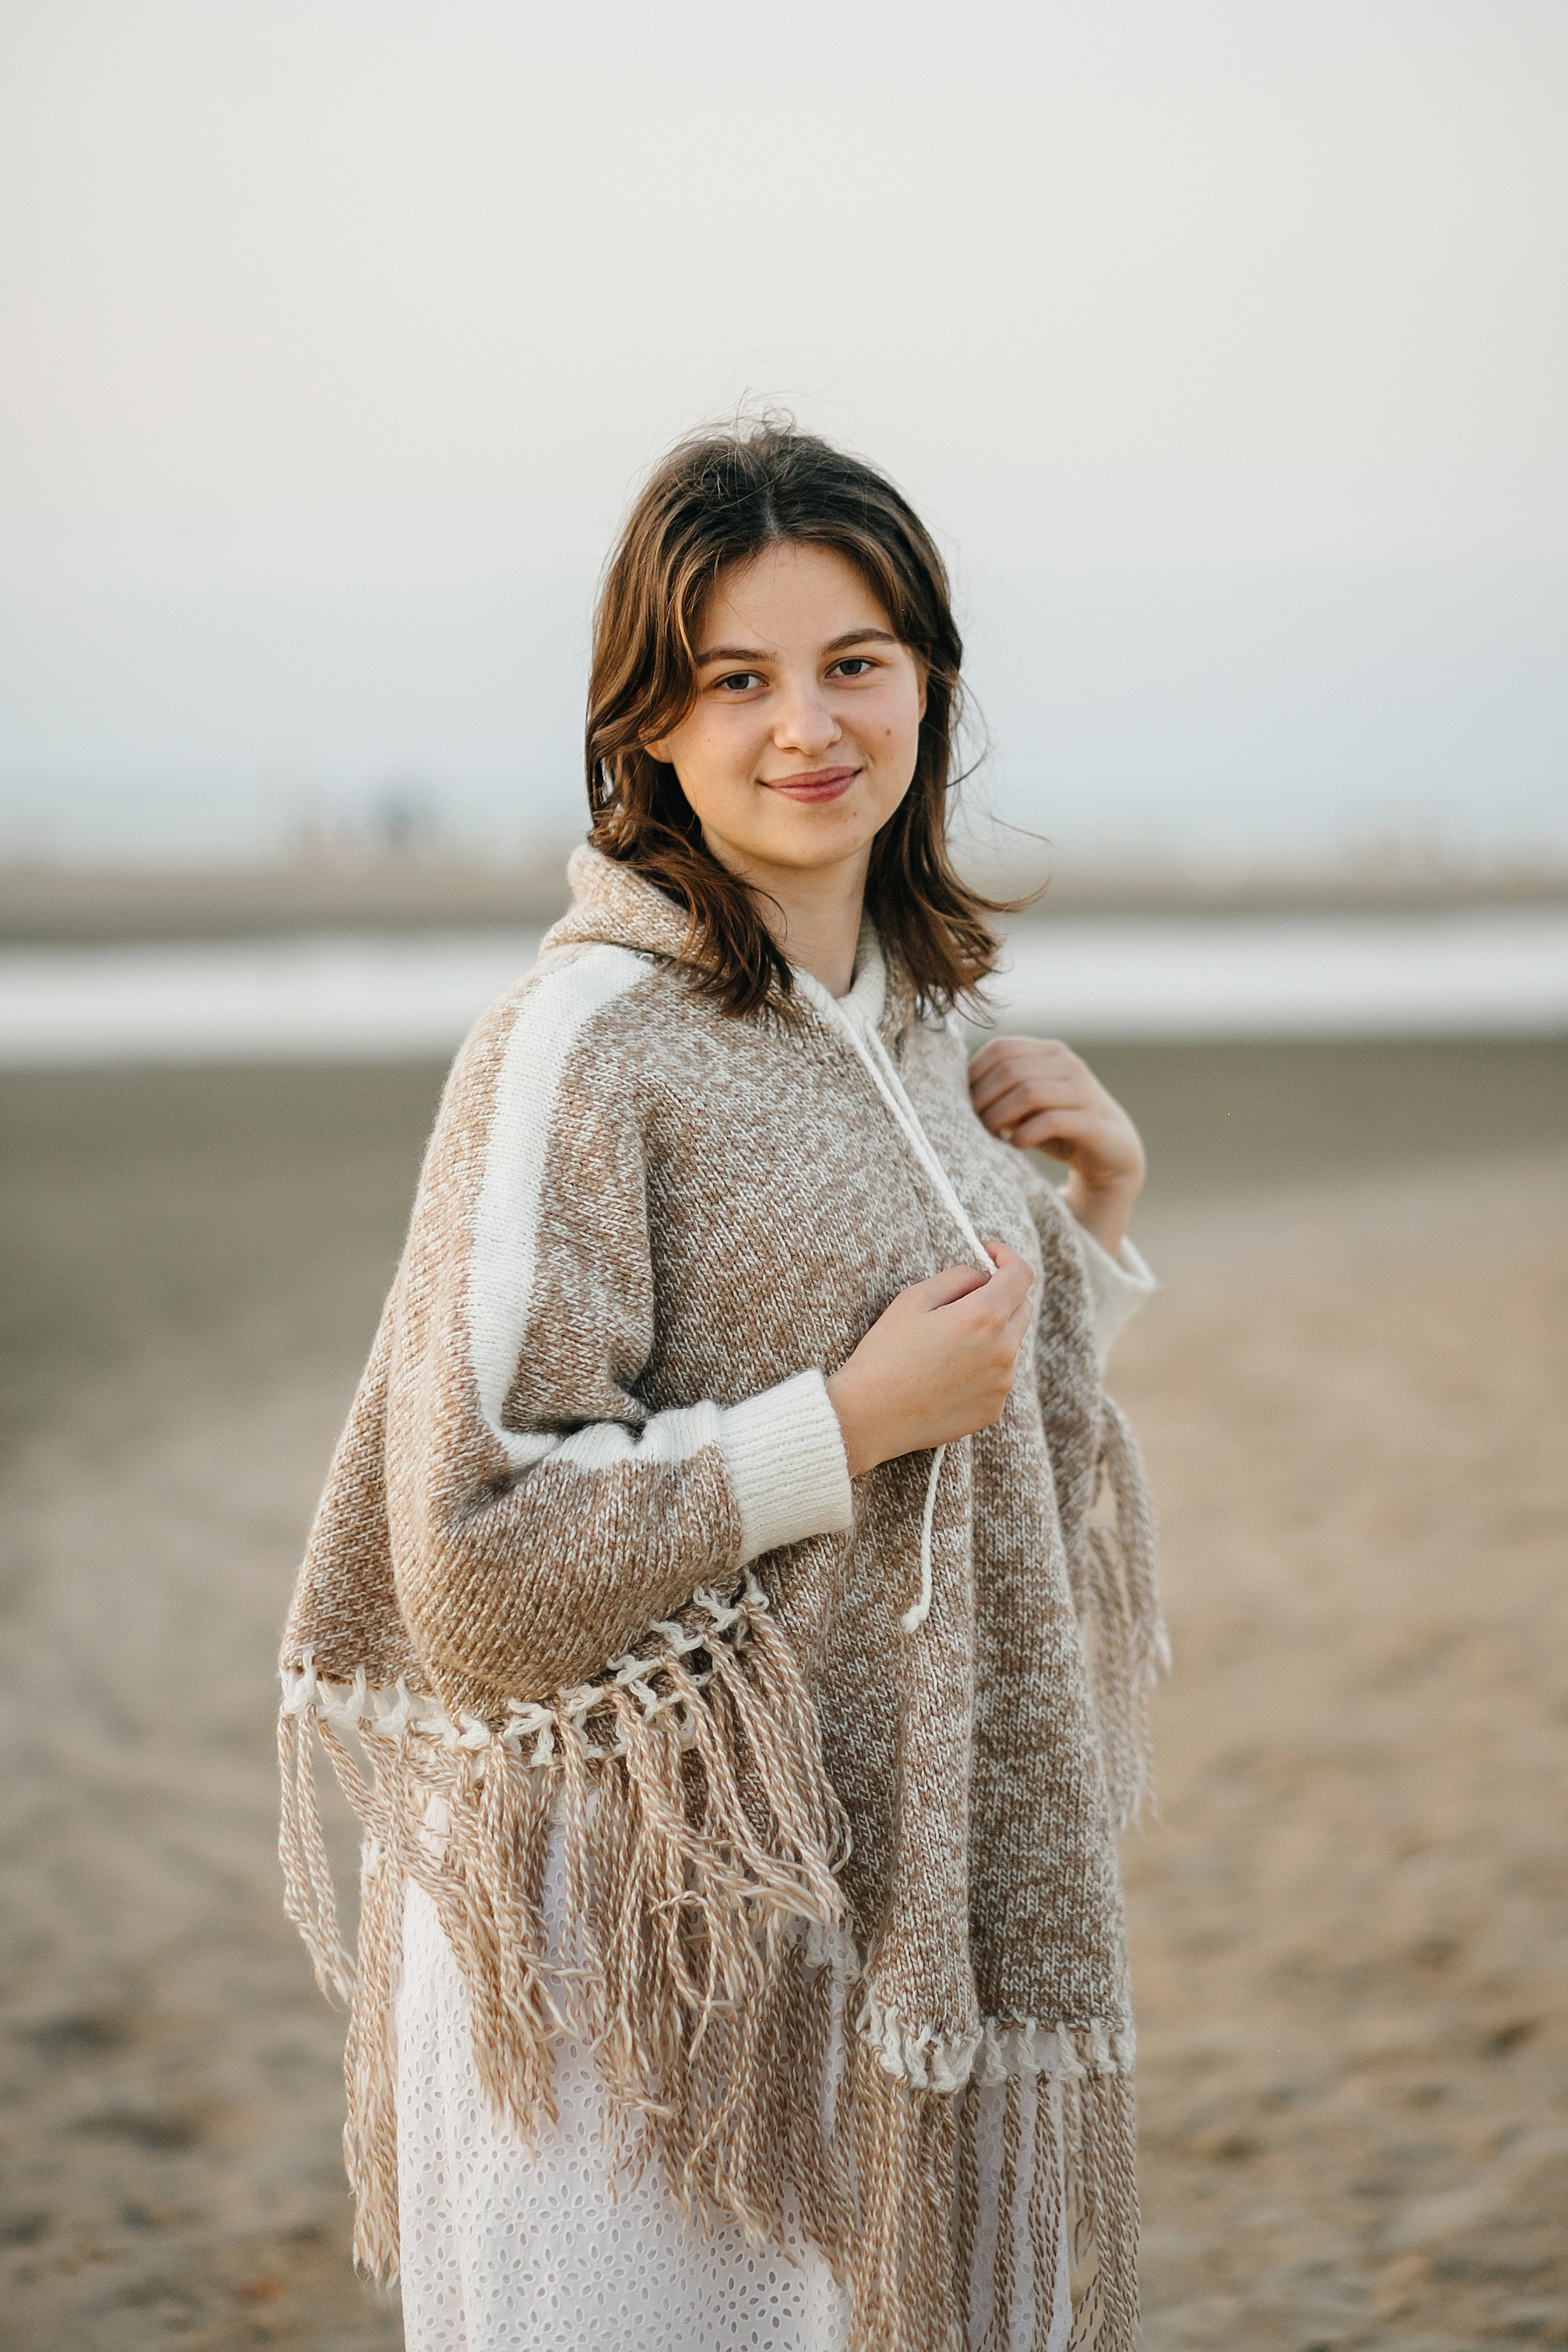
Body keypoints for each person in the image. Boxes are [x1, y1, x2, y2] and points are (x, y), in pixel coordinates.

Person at [278, 422, 1166, 2352]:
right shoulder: (582, 1041)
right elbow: (472, 1566)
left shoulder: (928, 1027)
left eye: (855, 662)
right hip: (633, 1940)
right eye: (736, 678)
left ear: (930, 681)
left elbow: (981, 1452)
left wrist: (1088, 1217)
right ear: (648, 723)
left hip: (869, 1891)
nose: (807, 727)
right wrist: (841, 1425)